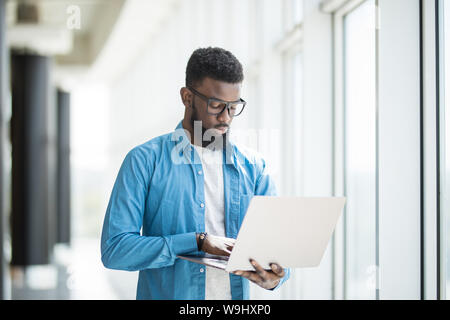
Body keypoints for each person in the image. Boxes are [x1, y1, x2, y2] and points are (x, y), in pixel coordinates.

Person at [101, 47, 290, 300]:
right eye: (216, 106)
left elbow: (278, 248)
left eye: (233, 107)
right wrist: (197, 241)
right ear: (187, 97)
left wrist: (275, 277)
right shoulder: (144, 161)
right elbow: (116, 250)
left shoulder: (254, 167)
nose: (226, 118)